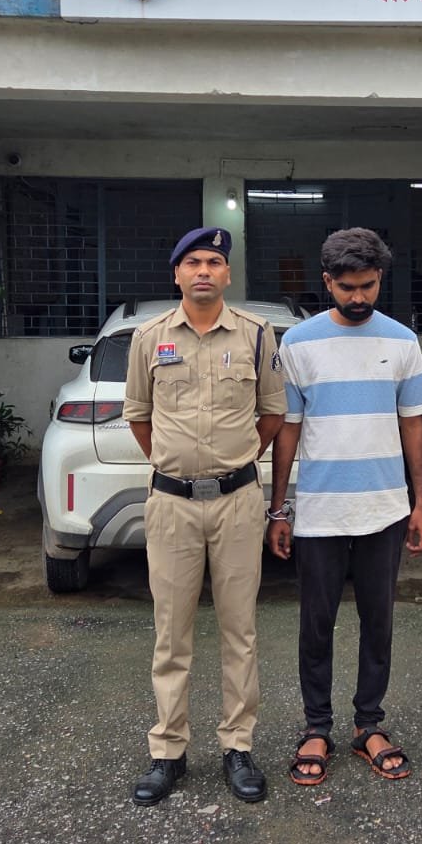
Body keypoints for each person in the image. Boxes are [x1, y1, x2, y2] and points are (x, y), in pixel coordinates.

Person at [122, 227, 285, 807]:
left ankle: (237, 746)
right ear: (176, 274)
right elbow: (139, 416)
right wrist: (178, 469)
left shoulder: (256, 334)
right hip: (172, 505)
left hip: (238, 502)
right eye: (192, 262)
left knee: (240, 630)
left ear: (227, 274)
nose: (203, 271)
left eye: (214, 262)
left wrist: (232, 464)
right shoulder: (148, 338)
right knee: (172, 634)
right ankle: (168, 750)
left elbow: (271, 413)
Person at [267, 228, 422, 785]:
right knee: (316, 625)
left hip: (384, 510)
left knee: (378, 622)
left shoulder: (402, 342)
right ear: (327, 282)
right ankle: (316, 726)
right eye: (347, 288)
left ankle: (369, 725)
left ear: (380, 279)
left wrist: (420, 503)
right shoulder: (298, 344)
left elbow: (414, 427)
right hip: (319, 512)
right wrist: (279, 509)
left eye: (367, 286)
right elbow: (288, 430)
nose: (358, 297)